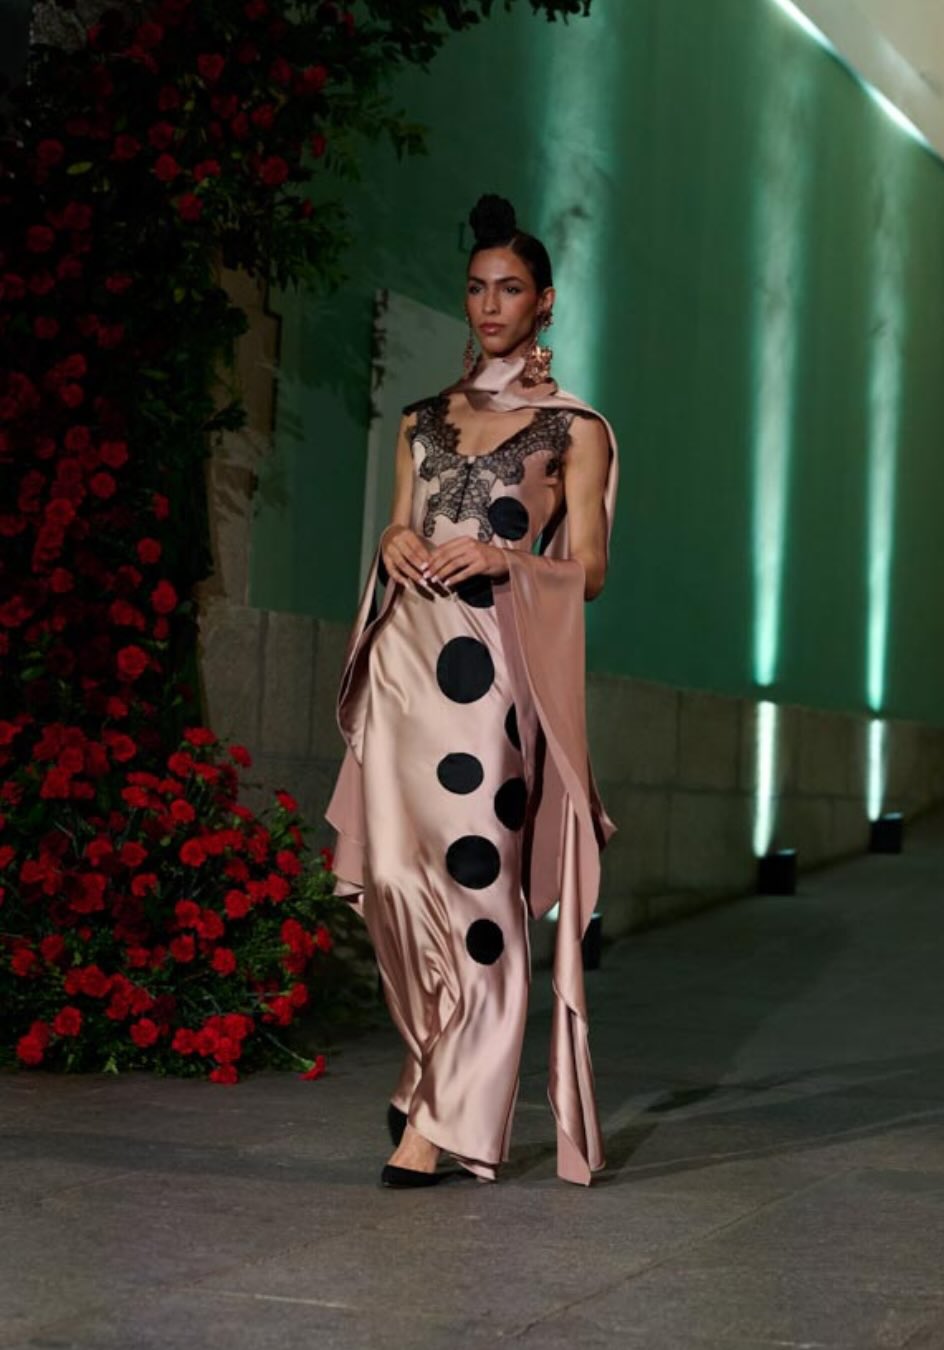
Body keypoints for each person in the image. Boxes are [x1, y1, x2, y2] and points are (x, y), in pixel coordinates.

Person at [325, 194, 618, 1189]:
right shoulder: (420, 421)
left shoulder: (573, 430)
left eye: (511, 289)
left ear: (545, 303)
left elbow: (590, 570)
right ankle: (429, 1066)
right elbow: (403, 525)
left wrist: (502, 560)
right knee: (395, 888)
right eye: (477, 288)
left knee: (477, 890)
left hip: (493, 684)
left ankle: (445, 1119)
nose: (490, 305)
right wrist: (391, 538)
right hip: (405, 669)